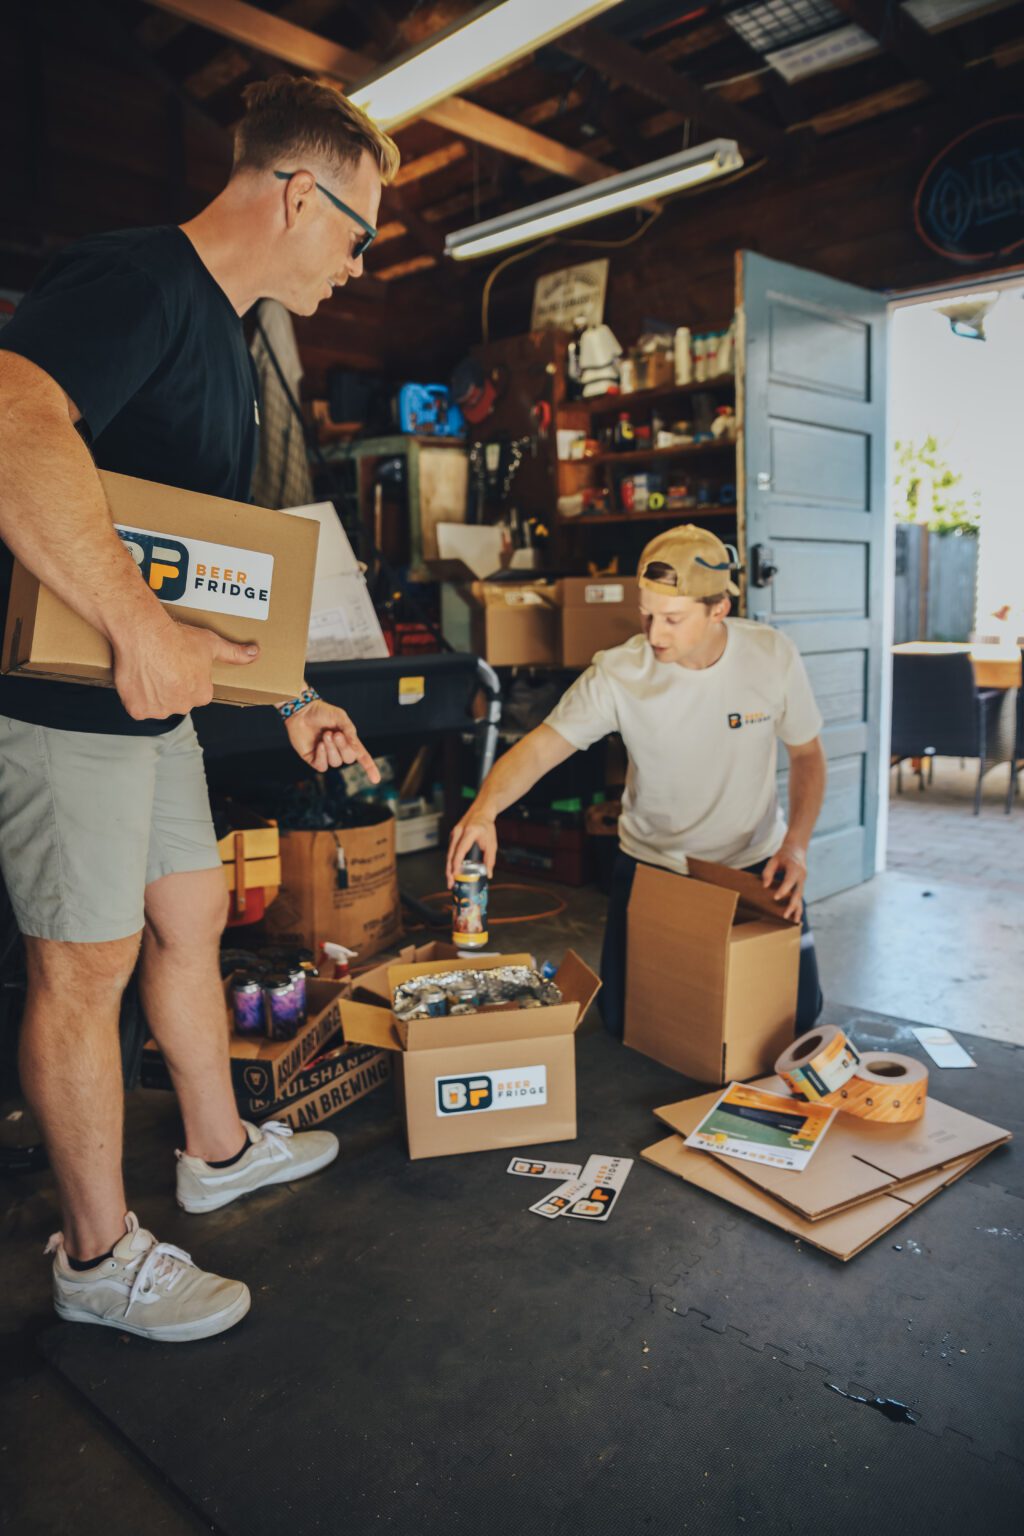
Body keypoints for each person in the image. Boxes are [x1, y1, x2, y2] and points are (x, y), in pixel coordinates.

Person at [0, 77, 400, 1342]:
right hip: (63, 702)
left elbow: (196, 563)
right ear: (296, 193)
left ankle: (217, 1154)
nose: (358, 262)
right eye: (358, 232)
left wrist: (288, 696)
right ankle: (96, 1254)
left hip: (151, 704)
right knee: (85, 965)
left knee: (188, 915)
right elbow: (13, 418)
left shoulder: (230, 344)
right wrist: (135, 627)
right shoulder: (138, 281)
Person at [447, 525, 827, 1040]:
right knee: (626, 1023)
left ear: (719, 609)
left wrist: (797, 847)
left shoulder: (771, 655)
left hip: (753, 867)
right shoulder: (619, 673)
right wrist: (483, 811)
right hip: (654, 866)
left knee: (796, 1016)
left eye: (673, 618)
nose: (654, 634)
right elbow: (541, 746)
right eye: (646, 613)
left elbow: (807, 756)